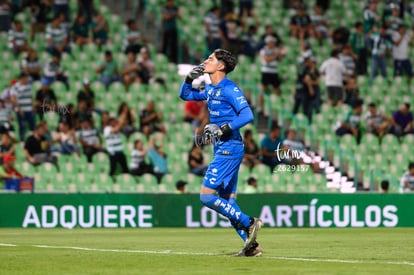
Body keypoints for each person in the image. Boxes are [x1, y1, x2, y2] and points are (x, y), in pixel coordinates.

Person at [179, 49, 263, 257]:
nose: (206, 60)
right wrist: (189, 78)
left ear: (221, 66)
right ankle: (250, 247)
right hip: (222, 148)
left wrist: (223, 128)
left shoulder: (229, 88)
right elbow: (185, 95)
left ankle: (249, 222)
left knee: (206, 198)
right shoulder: (211, 89)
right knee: (228, 201)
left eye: (211, 59)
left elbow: (247, 114)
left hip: (230, 148)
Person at [10, 72, 35, 141]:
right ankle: (22, 139)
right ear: (22, 78)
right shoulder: (15, 87)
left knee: (32, 125)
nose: (27, 79)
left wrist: (33, 106)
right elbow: (13, 99)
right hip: (21, 110)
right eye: (26, 78)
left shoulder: (28, 86)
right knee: (22, 125)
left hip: (29, 109)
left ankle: (32, 139)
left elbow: (31, 97)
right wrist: (19, 109)